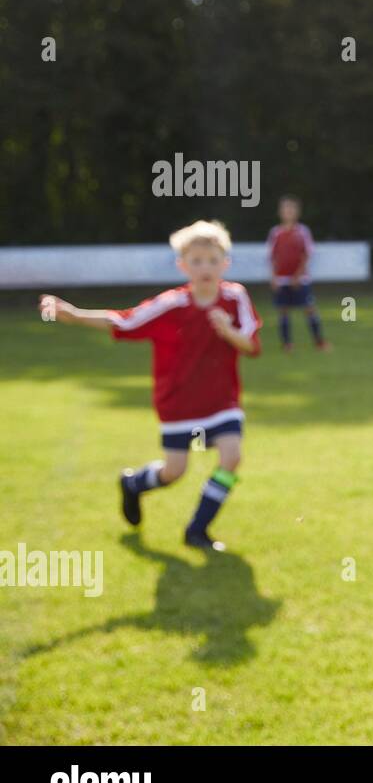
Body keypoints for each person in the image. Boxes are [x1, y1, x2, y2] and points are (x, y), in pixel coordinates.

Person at [39, 220, 261, 551]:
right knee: (174, 471)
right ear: (182, 265)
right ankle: (133, 484)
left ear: (224, 264)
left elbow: (252, 346)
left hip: (221, 401)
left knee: (232, 457)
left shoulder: (235, 297)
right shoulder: (171, 305)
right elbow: (124, 320)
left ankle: (197, 531)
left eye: (213, 260)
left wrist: (228, 332)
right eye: (197, 261)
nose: (205, 267)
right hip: (178, 403)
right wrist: (74, 314)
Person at [266, 194, 329, 352]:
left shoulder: (303, 231)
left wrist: (298, 276)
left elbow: (307, 255)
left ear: (297, 212)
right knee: (283, 311)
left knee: (309, 308)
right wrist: (273, 277)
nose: (288, 211)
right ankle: (287, 344)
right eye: (285, 208)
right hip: (281, 280)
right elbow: (273, 257)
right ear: (280, 212)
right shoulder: (275, 232)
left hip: (300, 280)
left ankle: (319, 342)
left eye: (291, 208)